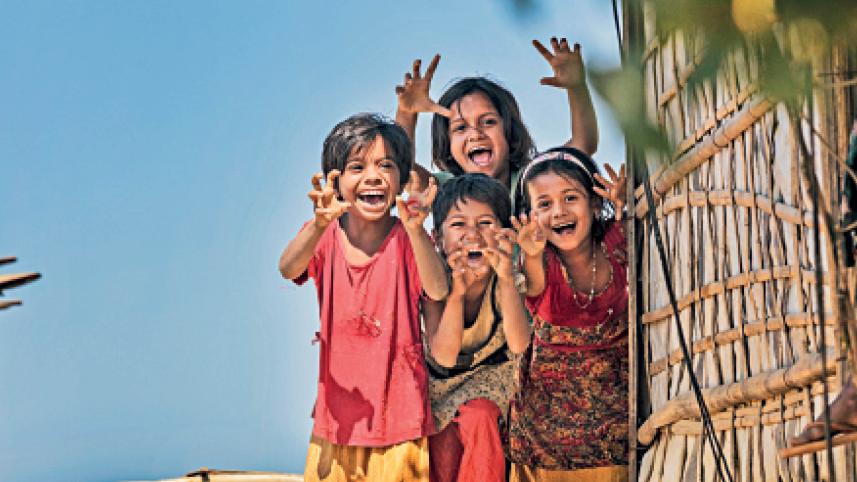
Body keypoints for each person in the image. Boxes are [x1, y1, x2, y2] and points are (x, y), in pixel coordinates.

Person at [278, 113, 449, 482]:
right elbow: (288, 268)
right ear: (335, 182)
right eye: (357, 166)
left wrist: (419, 232)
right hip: (336, 422)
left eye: (386, 165)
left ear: (401, 179)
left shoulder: (408, 239)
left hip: (401, 421)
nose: (373, 176)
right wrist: (319, 225)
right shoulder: (323, 233)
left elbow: (437, 289)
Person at [509, 147, 629, 481]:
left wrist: (624, 201)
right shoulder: (538, 261)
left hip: (615, 433)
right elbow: (532, 284)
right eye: (544, 204)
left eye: (570, 198)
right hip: (546, 441)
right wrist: (531, 254)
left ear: (594, 203)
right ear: (531, 217)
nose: (558, 211)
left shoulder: (618, 241)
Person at [422, 174, 531, 482]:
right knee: (438, 442)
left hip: (489, 386)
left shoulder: (506, 280)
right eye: (458, 225)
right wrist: (457, 293)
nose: (473, 235)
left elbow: (521, 344)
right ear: (437, 238)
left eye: (485, 223)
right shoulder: (434, 282)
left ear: (505, 234)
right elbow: (443, 356)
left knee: (480, 417)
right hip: (437, 391)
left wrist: (507, 279)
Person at [394, 37, 599, 199]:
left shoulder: (531, 180)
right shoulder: (448, 190)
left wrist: (577, 87)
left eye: (488, 122)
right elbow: (403, 172)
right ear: (448, 146)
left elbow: (583, 144)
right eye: (460, 128)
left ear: (509, 132)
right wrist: (407, 113)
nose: (476, 134)